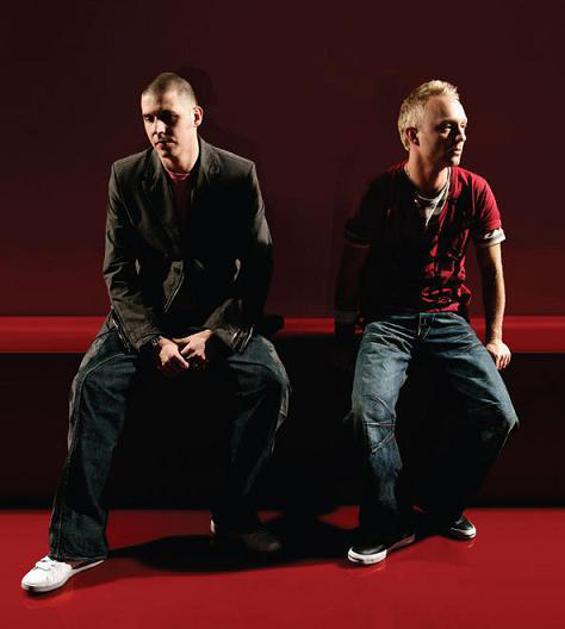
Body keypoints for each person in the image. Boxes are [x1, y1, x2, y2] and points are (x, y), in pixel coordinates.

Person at [21, 72, 290, 593]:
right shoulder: (126, 175)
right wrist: (150, 341)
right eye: (149, 118)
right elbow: (118, 271)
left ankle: (233, 516)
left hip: (218, 317)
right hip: (145, 317)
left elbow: (258, 269)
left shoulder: (238, 175)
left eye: (167, 117)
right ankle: (74, 546)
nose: (157, 129)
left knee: (270, 381)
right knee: (91, 384)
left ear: (196, 117)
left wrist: (216, 335)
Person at [334, 80, 518, 566]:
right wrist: (344, 332)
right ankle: (386, 519)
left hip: (447, 319)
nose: (459, 136)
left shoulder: (475, 190)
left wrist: (494, 337)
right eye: (446, 128)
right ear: (411, 136)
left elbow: (492, 271)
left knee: (499, 414)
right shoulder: (381, 192)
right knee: (367, 411)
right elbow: (351, 269)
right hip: (387, 322)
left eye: (463, 127)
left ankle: (441, 506)